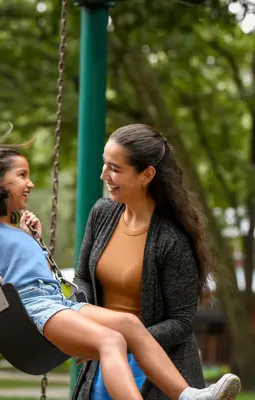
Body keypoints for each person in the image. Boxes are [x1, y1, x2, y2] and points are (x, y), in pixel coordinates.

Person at [0, 143, 240, 400]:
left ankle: (189, 396)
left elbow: (21, 264)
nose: (30, 183)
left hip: (59, 303)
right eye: (22, 175)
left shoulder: (9, 228)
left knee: (129, 324)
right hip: (33, 309)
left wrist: (28, 236)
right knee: (110, 341)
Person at [72, 124, 221, 399]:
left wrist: (120, 342)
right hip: (103, 358)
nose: (103, 175)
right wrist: (89, 331)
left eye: (115, 169)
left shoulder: (172, 241)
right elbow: (82, 277)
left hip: (154, 367)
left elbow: (181, 322)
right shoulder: (102, 213)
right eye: (105, 164)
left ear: (147, 175)